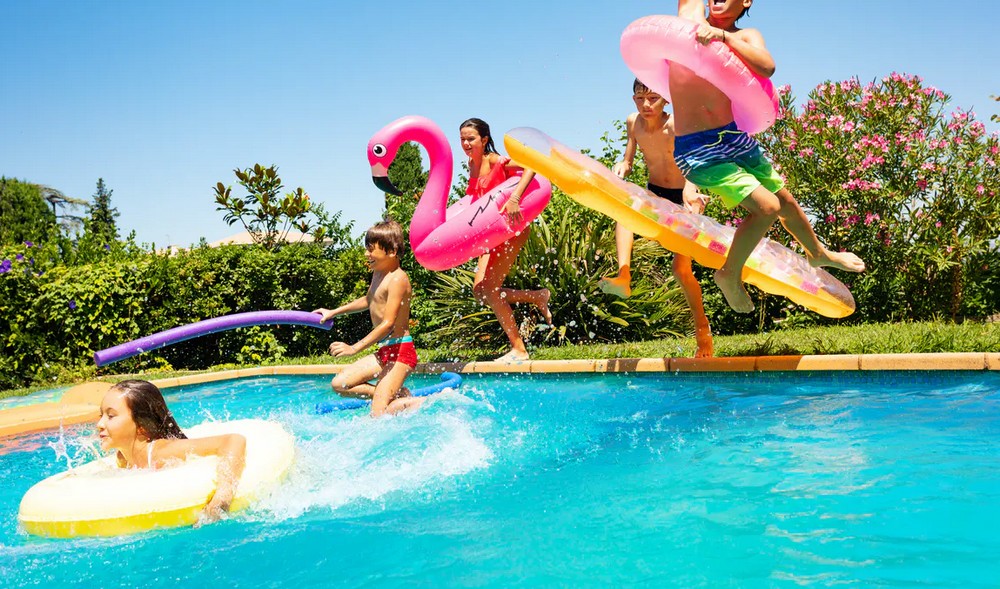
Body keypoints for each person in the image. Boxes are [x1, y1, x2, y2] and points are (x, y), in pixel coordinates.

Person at [669, 0, 865, 313]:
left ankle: (817, 252)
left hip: (734, 137)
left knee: (784, 201)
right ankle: (729, 274)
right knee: (768, 208)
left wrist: (725, 38)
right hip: (697, 147)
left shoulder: (746, 36)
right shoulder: (689, 18)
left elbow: (767, 66)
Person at [599, 78, 714, 357]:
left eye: (653, 98)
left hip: (685, 195)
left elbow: (693, 162)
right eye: (639, 98)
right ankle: (623, 276)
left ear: (666, 100)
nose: (645, 105)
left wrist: (691, 190)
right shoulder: (633, 122)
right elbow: (629, 159)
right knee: (624, 213)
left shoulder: (676, 125)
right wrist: (622, 166)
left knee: (681, 271)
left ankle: (704, 337)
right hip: (656, 194)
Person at [460, 117, 552, 363]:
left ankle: (519, 349)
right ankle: (536, 296)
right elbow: (474, 199)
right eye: (462, 139)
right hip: (489, 233)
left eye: (471, 138)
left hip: (510, 228)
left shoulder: (494, 161)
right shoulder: (472, 164)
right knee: (480, 291)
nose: (466, 143)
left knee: (490, 289)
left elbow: (532, 166)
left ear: (485, 139)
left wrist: (515, 199)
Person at [313, 220, 424, 416]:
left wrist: (354, 348)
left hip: (401, 352)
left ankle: (429, 402)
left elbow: (388, 324)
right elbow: (368, 300)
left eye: (371, 249)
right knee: (340, 384)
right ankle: (396, 397)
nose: (367, 254)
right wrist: (333, 311)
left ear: (391, 251)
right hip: (385, 350)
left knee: (378, 416)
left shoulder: (398, 278)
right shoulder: (379, 273)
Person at [97, 379, 247, 522]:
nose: (100, 424)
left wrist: (222, 498)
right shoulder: (123, 458)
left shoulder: (161, 453)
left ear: (142, 426)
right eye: (101, 415)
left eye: (110, 416)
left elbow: (233, 441)